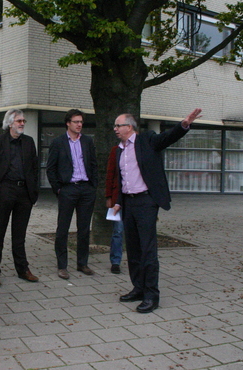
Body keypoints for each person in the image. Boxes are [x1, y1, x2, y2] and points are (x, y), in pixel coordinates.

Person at [106, 109, 202, 314]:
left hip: (146, 202)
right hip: (128, 204)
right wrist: (118, 202)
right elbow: (123, 179)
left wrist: (184, 124)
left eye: (118, 125)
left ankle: (151, 296)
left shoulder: (147, 140)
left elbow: (167, 138)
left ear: (129, 127)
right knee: (132, 248)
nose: (115, 129)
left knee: (147, 250)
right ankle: (138, 288)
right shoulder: (119, 150)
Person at [0, 109, 40, 287]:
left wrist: (33, 192)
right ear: (9, 123)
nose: (22, 123)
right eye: (18, 121)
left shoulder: (29, 142)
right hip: (5, 190)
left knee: (20, 235)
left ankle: (23, 269)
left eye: (23, 120)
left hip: (24, 193)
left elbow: (34, 167)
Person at [46, 109, 98, 279]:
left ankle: (82, 263)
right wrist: (58, 189)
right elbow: (51, 168)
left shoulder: (88, 141)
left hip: (86, 189)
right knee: (63, 228)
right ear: (68, 123)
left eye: (81, 122)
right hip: (68, 189)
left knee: (84, 229)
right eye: (76, 121)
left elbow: (93, 164)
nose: (79, 125)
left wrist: (93, 186)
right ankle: (62, 266)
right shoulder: (58, 142)